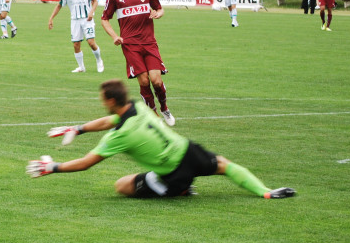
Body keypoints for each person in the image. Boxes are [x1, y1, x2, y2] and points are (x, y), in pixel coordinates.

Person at [25, 79, 296, 200]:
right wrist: (79, 128)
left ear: (110, 101)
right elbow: (109, 120)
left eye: (102, 100)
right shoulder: (138, 107)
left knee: (121, 185)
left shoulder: (120, 136)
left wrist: (53, 167)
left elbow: (86, 163)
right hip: (188, 151)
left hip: (173, 174)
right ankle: (266, 191)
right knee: (224, 165)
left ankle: (179, 190)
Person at [100, 0, 175, 126]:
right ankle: (153, 115)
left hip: (149, 42)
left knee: (156, 80)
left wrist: (158, 14)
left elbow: (160, 8)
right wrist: (114, 36)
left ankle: (164, 108)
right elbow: (104, 19)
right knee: (144, 81)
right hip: (130, 45)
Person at [48, 0, 104, 73]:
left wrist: (92, 12)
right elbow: (59, 5)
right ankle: (81, 67)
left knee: (91, 42)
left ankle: (99, 60)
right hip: (74, 21)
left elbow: (95, 1)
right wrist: (51, 18)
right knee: (76, 45)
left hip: (87, 19)